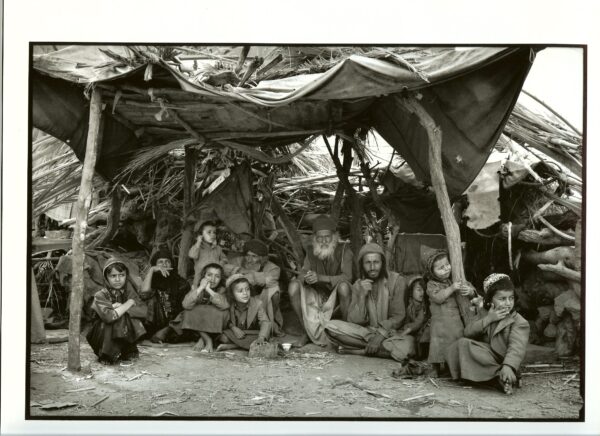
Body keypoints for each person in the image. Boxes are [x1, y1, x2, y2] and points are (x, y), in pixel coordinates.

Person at [324, 243, 414, 361]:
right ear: (362, 265)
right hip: (367, 333)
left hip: (391, 334)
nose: (372, 267)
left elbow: (398, 317)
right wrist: (361, 296)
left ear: (383, 263)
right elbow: (354, 321)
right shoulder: (358, 285)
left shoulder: (397, 281)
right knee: (330, 327)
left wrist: (380, 336)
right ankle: (376, 349)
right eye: (368, 263)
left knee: (409, 346)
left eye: (376, 262)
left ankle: (359, 351)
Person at [446, 273, 530, 394]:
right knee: (462, 343)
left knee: (500, 364)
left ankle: (501, 376)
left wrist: (509, 365)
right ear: (490, 300)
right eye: (502, 299)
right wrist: (489, 319)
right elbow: (468, 333)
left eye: (511, 298)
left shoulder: (519, 321)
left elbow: (516, 348)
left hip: (505, 360)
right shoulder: (485, 313)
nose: (508, 303)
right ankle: (497, 378)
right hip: (487, 357)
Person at [288, 215, 353, 346]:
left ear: (334, 236)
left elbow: (348, 277)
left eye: (327, 236)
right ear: (315, 238)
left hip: (337, 299)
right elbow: (304, 272)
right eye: (320, 237)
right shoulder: (311, 250)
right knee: (293, 286)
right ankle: (306, 331)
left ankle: (346, 333)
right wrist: (306, 277)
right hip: (317, 296)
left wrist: (321, 278)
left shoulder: (345, 250)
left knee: (344, 287)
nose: (324, 241)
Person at [421, 246, 475, 376]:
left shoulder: (454, 278)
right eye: (440, 268)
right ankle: (435, 367)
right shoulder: (431, 285)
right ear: (432, 272)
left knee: (456, 342)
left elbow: (470, 289)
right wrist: (452, 288)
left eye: (447, 265)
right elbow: (438, 297)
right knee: (437, 346)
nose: (446, 269)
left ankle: (454, 368)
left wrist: (470, 291)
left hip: (455, 320)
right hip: (440, 324)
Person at [85, 257, 147, 364]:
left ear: (126, 276)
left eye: (121, 275)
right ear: (106, 278)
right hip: (102, 334)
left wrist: (121, 308)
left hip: (123, 331)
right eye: (113, 276)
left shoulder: (129, 292)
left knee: (128, 317)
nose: (118, 279)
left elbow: (144, 311)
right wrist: (128, 303)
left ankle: (127, 350)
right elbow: (109, 317)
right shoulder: (100, 295)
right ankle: (106, 354)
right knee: (112, 321)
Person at [226, 239, 284, 336]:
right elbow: (224, 267)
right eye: (248, 255)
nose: (249, 259)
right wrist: (242, 270)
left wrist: (248, 274)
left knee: (274, 291)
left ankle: (270, 323)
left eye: (254, 256)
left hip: (260, 301)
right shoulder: (239, 261)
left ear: (262, 258)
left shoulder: (273, 268)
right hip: (238, 300)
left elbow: (269, 281)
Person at [169, 263, 230, 352]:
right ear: (203, 276)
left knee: (222, 312)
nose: (212, 279)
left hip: (214, 327)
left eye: (217, 276)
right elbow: (186, 304)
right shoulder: (197, 288)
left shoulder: (222, 290)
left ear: (221, 279)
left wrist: (209, 290)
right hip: (196, 325)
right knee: (189, 311)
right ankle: (206, 339)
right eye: (209, 275)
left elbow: (224, 305)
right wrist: (201, 287)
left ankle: (202, 339)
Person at [139, 247, 189, 343]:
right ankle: (156, 334)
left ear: (172, 264)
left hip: (174, 323)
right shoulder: (151, 281)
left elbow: (184, 309)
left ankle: (166, 332)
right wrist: (151, 270)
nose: (164, 265)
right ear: (155, 264)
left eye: (167, 261)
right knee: (151, 300)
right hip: (155, 322)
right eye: (160, 262)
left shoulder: (181, 283)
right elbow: (144, 293)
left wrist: (170, 326)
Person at [216, 274, 272, 351]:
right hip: (233, 334)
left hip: (251, 334)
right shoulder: (228, 303)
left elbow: (265, 322)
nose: (245, 293)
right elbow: (225, 319)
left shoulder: (257, 303)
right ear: (232, 294)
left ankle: (233, 346)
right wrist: (233, 328)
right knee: (223, 338)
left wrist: (261, 337)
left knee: (265, 337)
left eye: (247, 289)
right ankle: (245, 345)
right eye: (240, 291)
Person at [398, 275, 430, 359]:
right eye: (419, 290)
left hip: (421, 332)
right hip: (412, 332)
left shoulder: (424, 306)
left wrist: (405, 332)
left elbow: (418, 322)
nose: (422, 293)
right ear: (411, 291)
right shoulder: (409, 305)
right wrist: (401, 330)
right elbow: (405, 320)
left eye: (424, 290)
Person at [188, 221, 228, 288]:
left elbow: (224, 258)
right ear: (201, 235)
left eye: (214, 232)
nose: (212, 235)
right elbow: (192, 255)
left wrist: (220, 263)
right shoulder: (198, 247)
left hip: (215, 278)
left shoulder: (217, 248)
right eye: (209, 232)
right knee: (198, 294)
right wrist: (198, 242)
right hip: (200, 279)